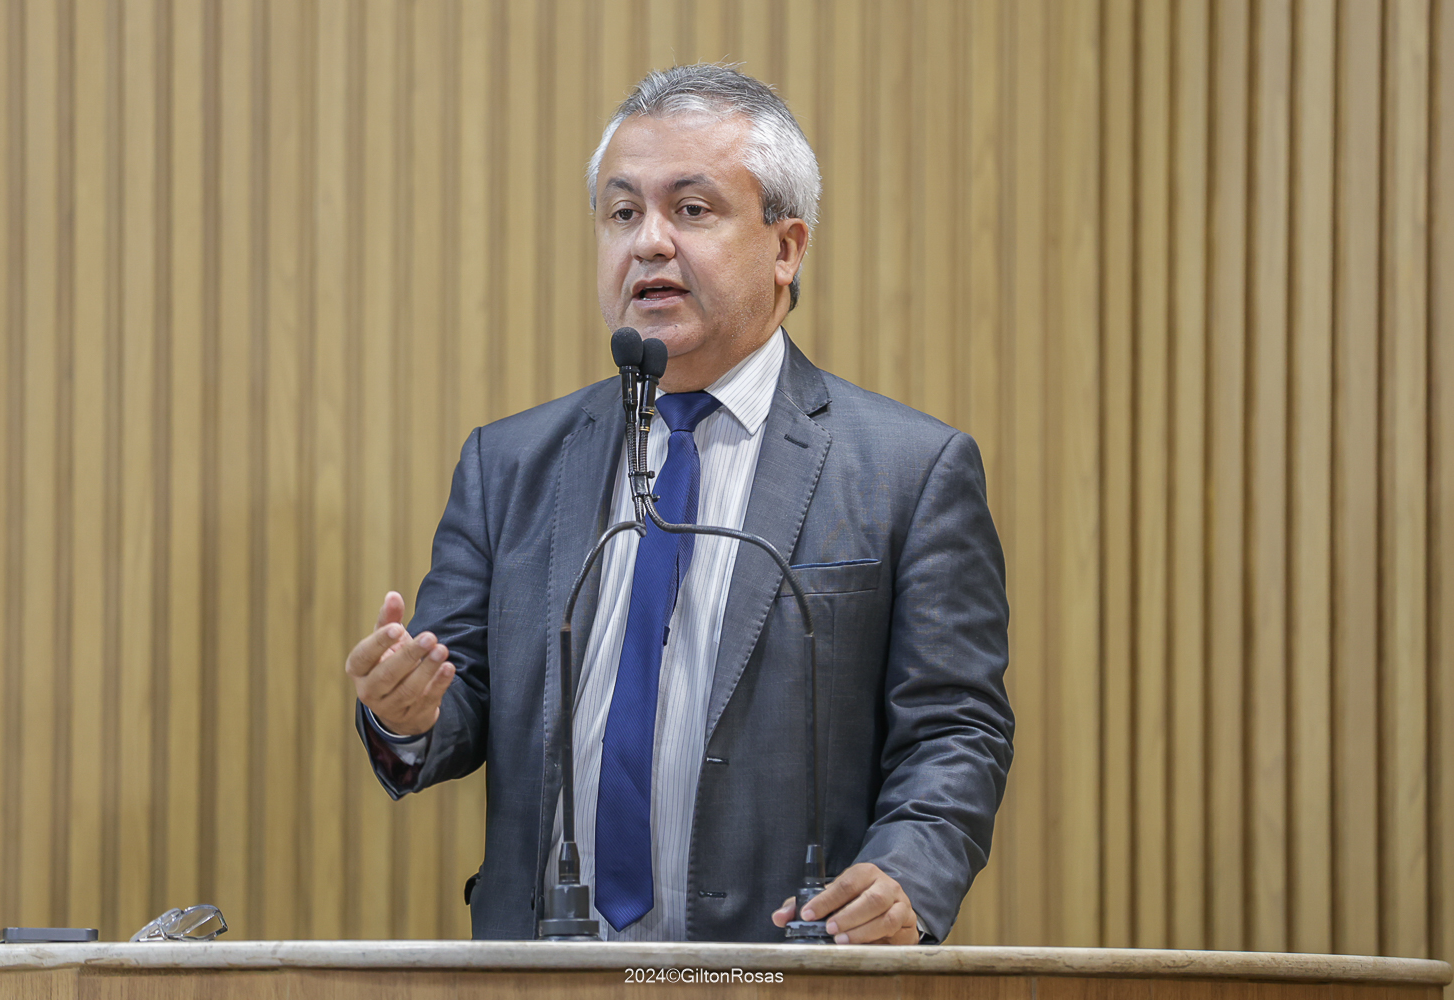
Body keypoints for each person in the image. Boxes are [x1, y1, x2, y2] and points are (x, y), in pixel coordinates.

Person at [344, 64, 1012, 944]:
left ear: (786, 248)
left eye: (691, 209)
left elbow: (956, 731)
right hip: (540, 969)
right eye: (622, 213)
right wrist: (405, 714)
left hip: (781, 966)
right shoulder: (509, 465)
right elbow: (454, 700)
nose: (648, 243)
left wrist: (906, 875)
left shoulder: (909, 471)